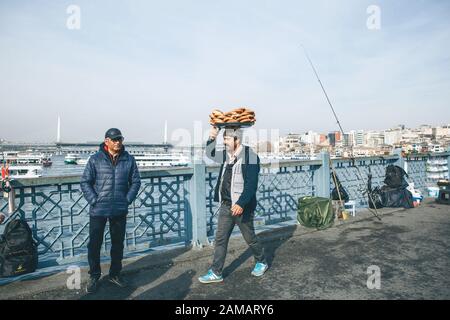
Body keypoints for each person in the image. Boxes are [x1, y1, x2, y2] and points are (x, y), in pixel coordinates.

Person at [198, 126, 268, 284]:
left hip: (242, 207)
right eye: (224, 139)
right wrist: (212, 135)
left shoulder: (250, 156)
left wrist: (241, 203)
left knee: (250, 238)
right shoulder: (226, 155)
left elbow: (251, 185)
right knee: (220, 239)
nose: (225, 142)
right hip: (226, 205)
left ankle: (261, 261)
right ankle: (216, 272)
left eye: (227, 139)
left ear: (237, 140)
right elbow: (210, 153)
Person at [81, 128, 141, 294]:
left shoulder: (129, 160)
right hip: (98, 209)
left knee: (117, 244)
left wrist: (127, 199)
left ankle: (115, 274)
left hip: (119, 209)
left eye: (120, 139)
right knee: (94, 245)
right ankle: (94, 275)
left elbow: (136, 182)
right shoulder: (95, 159)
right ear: (106, 141)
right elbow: (85, 182)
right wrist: (94, 200)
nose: (118, 142)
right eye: (114, 139)